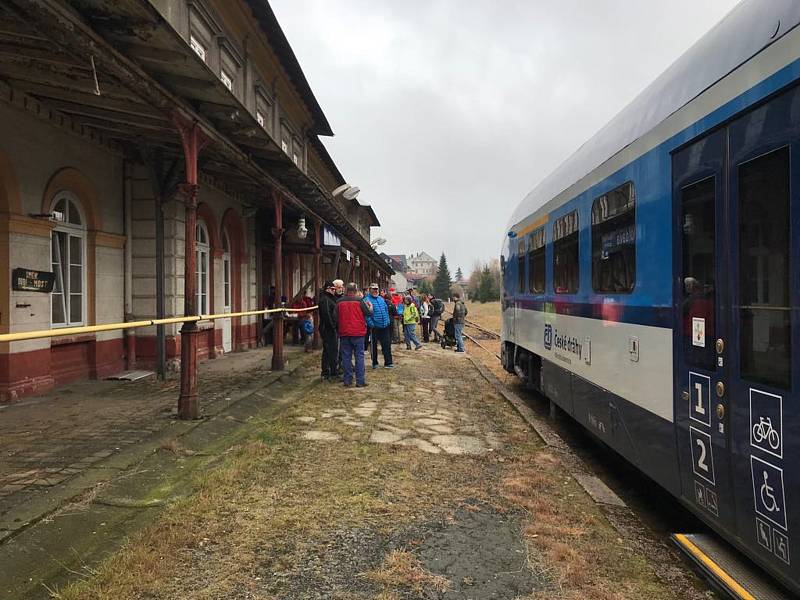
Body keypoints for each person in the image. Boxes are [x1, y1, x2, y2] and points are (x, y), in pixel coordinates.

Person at [336, 282, 370, 387]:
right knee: (359, 356)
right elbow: (368, 313)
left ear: (346, 290)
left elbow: (335, 317)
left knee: (346, 357)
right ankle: (360, 381)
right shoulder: (360, 301)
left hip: (344, 332)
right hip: (358, 332)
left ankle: (347, 380)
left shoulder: (339, 302)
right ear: (355, 291)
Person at [366, 283, 393, 369]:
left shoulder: (381, 299)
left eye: (376, 289)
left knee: (387, 344)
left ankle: (388, 362)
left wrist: (388, 320)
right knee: (373, 346)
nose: (375, 291)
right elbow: (366, 314)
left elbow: (386, 310)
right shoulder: (367, 299)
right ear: (370, 290)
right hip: (375, 327)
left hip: (385, 325)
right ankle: (375, 363)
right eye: (373, 289)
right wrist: (371, 324)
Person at [318, 281, 339, 380]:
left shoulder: (330, 299)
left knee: (329, 350)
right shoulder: (325, 300)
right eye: (332, 289)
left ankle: (328, 371)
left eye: (335, 289)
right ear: (327, 289)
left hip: (329, 328)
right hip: (327, 329)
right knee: (330, 350)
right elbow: (326, 315)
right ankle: (330, 372)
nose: (334, 291)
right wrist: (333, 327)